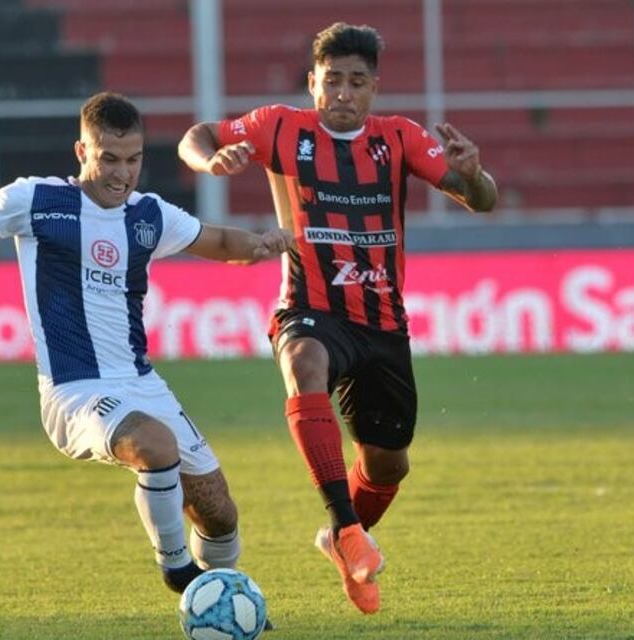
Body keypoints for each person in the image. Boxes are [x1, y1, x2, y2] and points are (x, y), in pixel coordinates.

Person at [178, 22, 497, 614]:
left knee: (388, 463)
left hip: (381, 320)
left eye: (356, 82)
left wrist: (473, 173)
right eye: (332, 81)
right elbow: (195, 135)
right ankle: (348, 528)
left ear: (374, 88)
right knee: (303, 363)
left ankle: (339, 539)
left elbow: (480, 199)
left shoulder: (399, 138)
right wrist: (210, 159)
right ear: (313, 83)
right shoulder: (280, 126)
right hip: (309, 305)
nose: (343, 93)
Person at [0, 92, 293, 595]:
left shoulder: (148, 215)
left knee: (218, 509)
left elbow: (223, 244)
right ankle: (179, 572)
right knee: (155, 444)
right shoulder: (37, 201)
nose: (122, 173)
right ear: (82, 153)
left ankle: (222, 596)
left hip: (141, 382)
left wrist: (263, 243)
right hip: (73, 391)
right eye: (109, 159)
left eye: (133, 159)